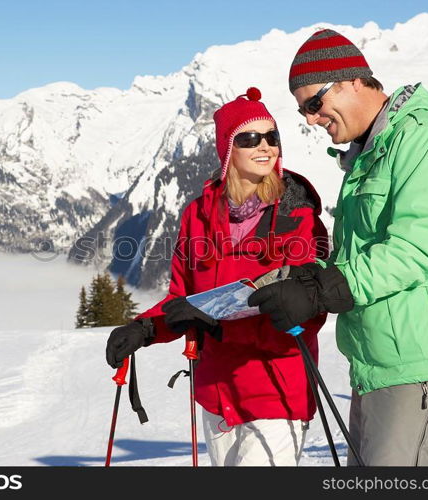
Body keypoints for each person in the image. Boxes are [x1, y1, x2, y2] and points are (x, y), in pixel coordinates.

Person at [248, 29, 428, 466]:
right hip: (380, 362)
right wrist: (305, 276)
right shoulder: (370, 150)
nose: (310, 119)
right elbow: (361, 251)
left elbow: (416, 249)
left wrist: (320, 291)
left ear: (351, 81)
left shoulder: (425, 138)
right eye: (302, 111)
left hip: (424, 364)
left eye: (314, 103)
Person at [106, 87, 330, 466]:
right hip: (216, 392)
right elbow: (183, 297)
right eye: (249, 138)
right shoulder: (198, 214)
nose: (265, 146)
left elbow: (308, 312)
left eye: (272, 137)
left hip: (275, 391)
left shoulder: (299, 218)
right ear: (228, 149)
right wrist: (145, 328)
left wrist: (221, 328)